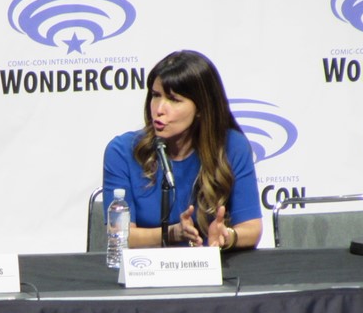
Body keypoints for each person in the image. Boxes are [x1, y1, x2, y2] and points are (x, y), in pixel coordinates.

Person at [102, 50, 262, 250]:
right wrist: (172, 233)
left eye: (173, 100)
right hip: (146, 267)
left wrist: (228, 236)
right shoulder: (123, 151)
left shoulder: (231, 146)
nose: (159, 109)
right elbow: (120, 236)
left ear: (201, 108)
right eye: (156, 96)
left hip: (212, 265)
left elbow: (252, 228)